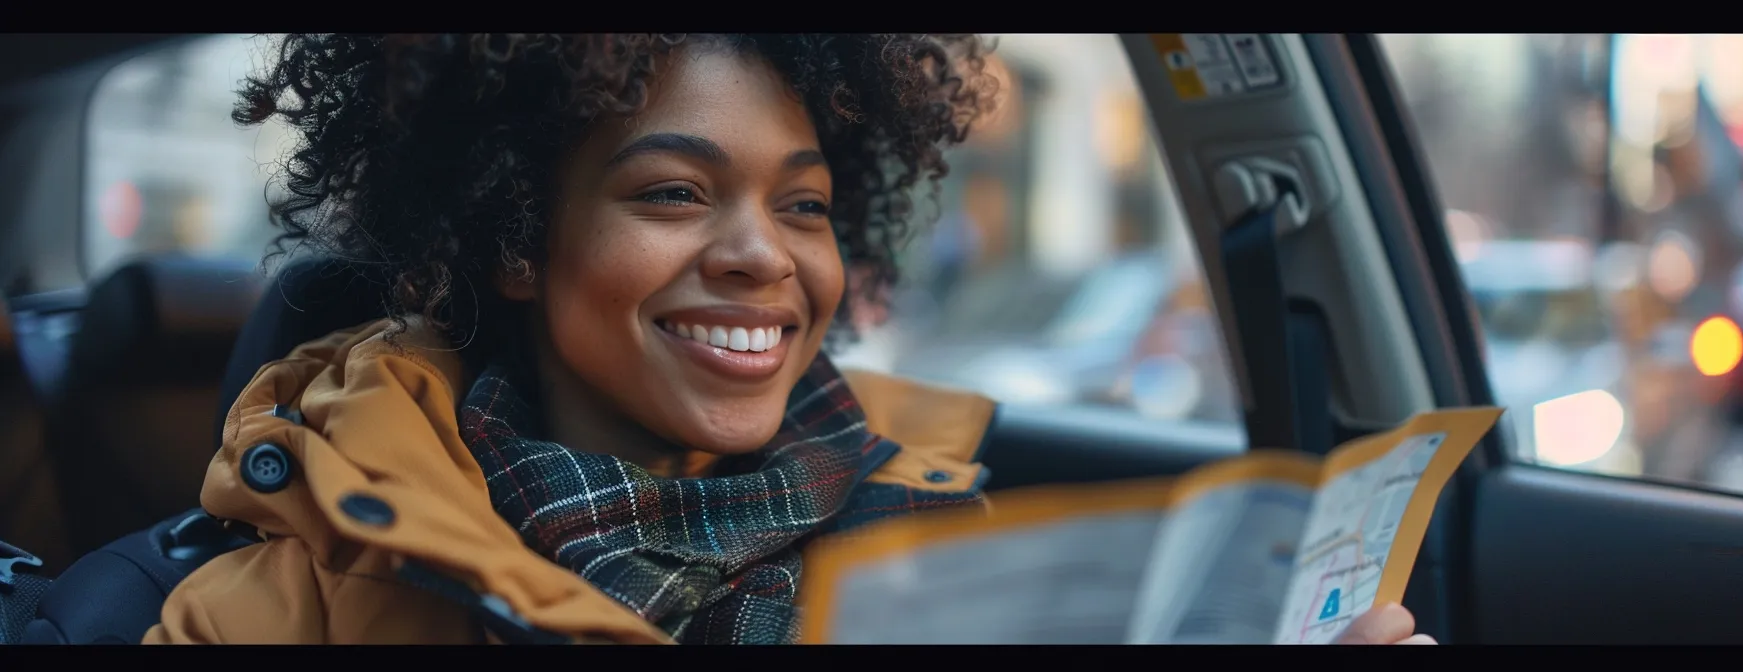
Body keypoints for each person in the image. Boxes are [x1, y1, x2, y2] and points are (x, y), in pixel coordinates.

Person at [142, 33, 1432, 645]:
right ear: (516, 241)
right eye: (672, 193)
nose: (765, 256)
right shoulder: (272, 619)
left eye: (804, 204)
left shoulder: (953, 565)